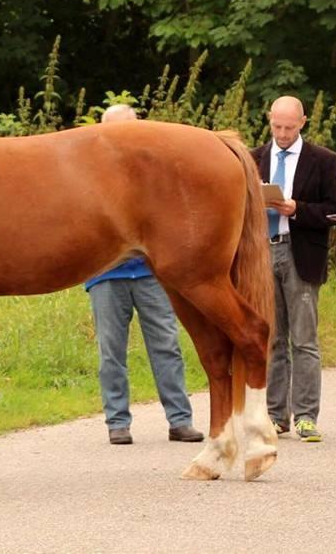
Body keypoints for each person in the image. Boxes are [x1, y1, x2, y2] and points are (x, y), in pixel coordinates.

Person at [85, 104, 204, 446]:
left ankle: (180, 420)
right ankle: (117, 422)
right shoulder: (88, 174)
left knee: (166, 344)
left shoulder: (154, 171)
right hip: (106, 274)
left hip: (152, 272)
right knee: (111, 351)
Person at [250, 96, 336, 443]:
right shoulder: (254, 158)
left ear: (303, 122)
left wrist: (297, 209)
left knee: (304, 339)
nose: (283, 133)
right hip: (262, 251)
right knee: (273, 339)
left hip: (300, 251)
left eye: (290, 127)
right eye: (277, 126)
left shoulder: (323, 160)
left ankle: (306, 414)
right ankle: (277, 415)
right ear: (269, 120)